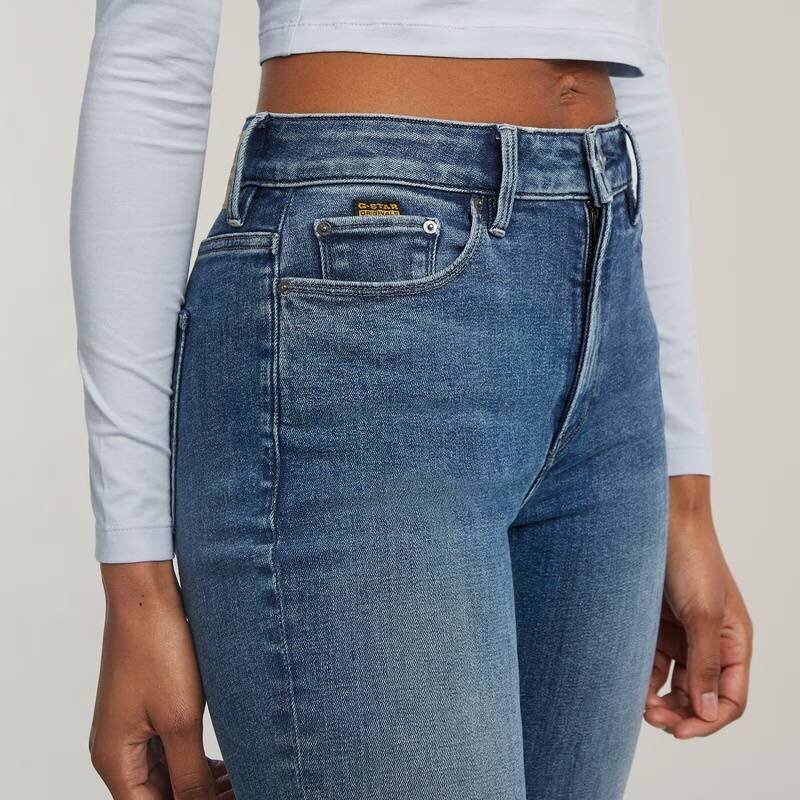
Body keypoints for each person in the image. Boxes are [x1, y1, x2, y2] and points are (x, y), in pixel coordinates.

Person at [70, 1, 753, 799]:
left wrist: (685, 493)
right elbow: (153, 46)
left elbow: (631, 42)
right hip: (363, 294)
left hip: (607, 262)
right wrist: (137, 583)